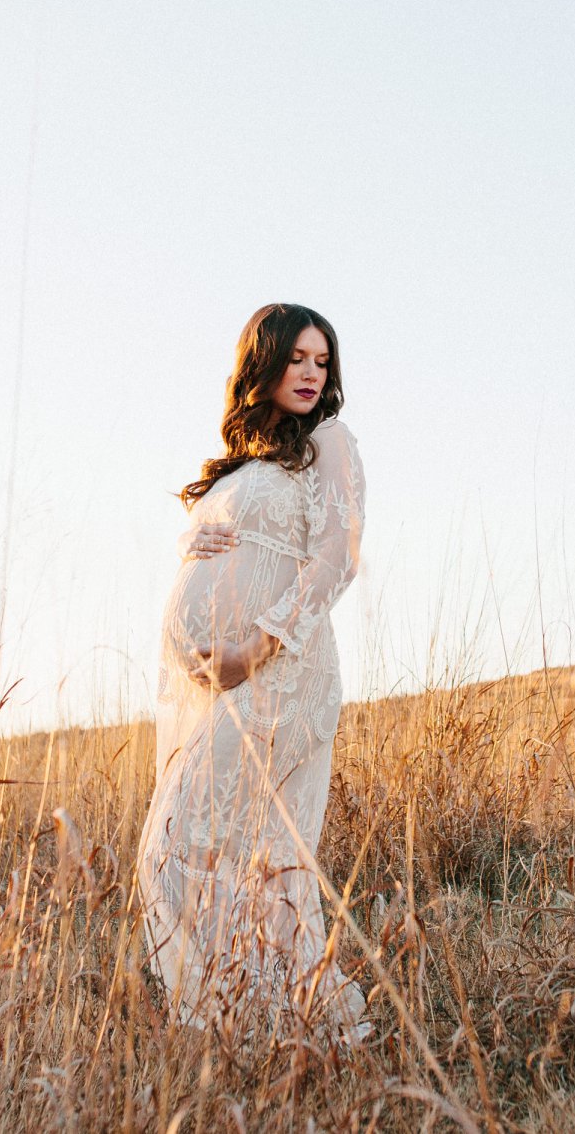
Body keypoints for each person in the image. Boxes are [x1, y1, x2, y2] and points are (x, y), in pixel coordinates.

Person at [135, 302, 370, 1042]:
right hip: (223, 685)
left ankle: (252, 1025)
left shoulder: (330, 441)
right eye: (296, 357)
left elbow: (338, 555)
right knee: (231, 856)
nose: (310, 373)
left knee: (181, 847)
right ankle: (259, 1029)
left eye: (321, 361)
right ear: (262, 362)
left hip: (283, 672)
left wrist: (254, 649)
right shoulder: (246, 464)